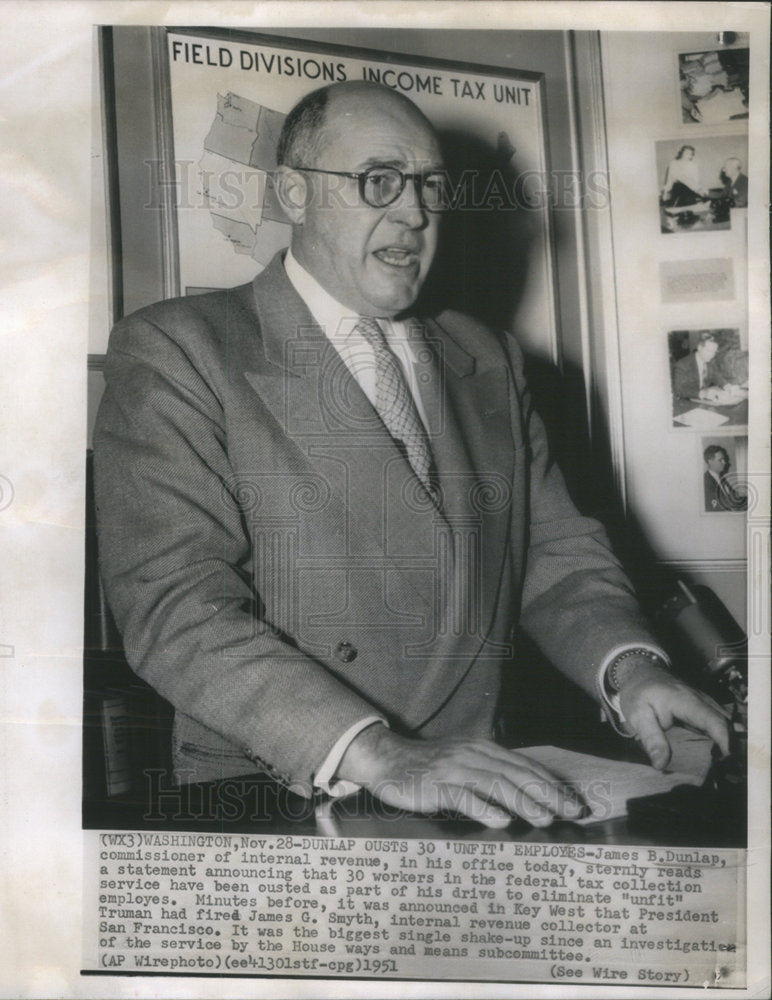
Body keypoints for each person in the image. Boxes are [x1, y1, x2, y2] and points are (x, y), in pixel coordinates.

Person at [94, 81, 728, 829]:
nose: (416, 213)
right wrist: (377, 752)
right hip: (288, 791)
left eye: (430, 185)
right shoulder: (182, 349)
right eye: (380, 181)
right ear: (294, 194)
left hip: (478, 784)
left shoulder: (487, 356)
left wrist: (630, 670)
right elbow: (176, 607)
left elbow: (554, 555)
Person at [672, 331, 726, 401]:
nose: (712, 355)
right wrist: (703, 394)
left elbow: (716, 375)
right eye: (709, 351)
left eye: (714, 352)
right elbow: (679, 390)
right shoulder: (682, 365)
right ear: (699, 348)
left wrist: (727, 386)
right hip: (687, 402)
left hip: (704, 401)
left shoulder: (709, 361)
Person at [703, 445, 748, 513]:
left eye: (724, 459)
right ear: (710, 461)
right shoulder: (705, 482)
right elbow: (714, 508)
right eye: (720, 460)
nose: (724, 462)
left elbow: (734, 497)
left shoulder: (722, 479)